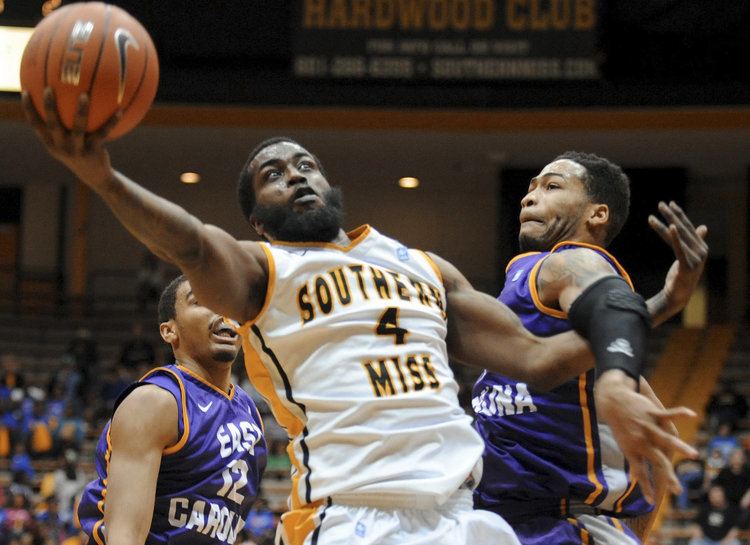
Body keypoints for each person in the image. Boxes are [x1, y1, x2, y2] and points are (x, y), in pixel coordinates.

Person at [23, 90, 696, 545]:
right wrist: (102, 176)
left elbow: (542, 357)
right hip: (355, 519)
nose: (295, 174)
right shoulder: (263, 270)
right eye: (273, 174)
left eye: (305, 163)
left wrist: (643, 324)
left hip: (464, 518)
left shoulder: (424, 267)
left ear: (331, 185)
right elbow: (192, 243)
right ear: (259, 218)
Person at [472, 151, 709, 544]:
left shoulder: (570, 261)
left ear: (596, 214)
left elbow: (610, 302)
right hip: (511, 523)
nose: (528, 197)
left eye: (551, 187)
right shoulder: (527, 278)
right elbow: (659, 427)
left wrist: (660, 308)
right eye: (530, 189)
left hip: (558, 525)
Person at [77, 275, 267, 544]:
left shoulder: (250, 412)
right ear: (169, 331)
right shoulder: (155, 402)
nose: (221, 311)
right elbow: (124, 535)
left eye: (226, 300)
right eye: (201, 301)